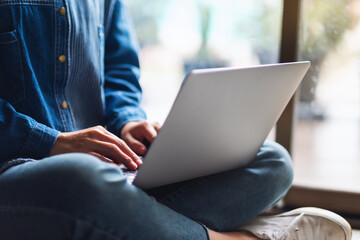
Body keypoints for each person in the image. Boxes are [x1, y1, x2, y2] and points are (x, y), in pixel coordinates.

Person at [0, 0, 352, 239]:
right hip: (25, 171)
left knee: (270, 160)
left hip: (110, 170)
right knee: (80, 178)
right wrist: (51, 142)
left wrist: (127, 121)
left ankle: (125, 220)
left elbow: (119, 66)